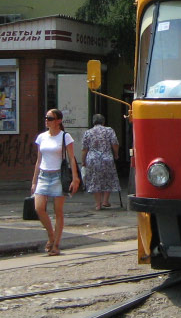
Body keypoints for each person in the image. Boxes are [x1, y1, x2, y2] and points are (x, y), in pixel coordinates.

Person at [31, 108, 77, 256]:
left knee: (58, 211)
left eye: (50, 118)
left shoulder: (65, 137)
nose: (47, 120)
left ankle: (56, 244)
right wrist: (34, 181)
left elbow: (71, 158)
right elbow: (38, 160)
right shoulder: (42, 137)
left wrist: (75, 178)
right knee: (39, 208)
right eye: (46, 118)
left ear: (58, 121)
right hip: (44, 175)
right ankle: (51, 235)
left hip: (58, 176)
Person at [80, 113, 120, 211]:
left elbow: (84, 149)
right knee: (108, 178)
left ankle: (98, 204)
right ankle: (105, 200)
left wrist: (83, 161)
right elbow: (115, 143)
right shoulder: (109, 130)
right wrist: (116, 154)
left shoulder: (88, 132)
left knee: (95, 180)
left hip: (92, 159)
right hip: (107, 157)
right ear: (103, 122)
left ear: (93, 122)